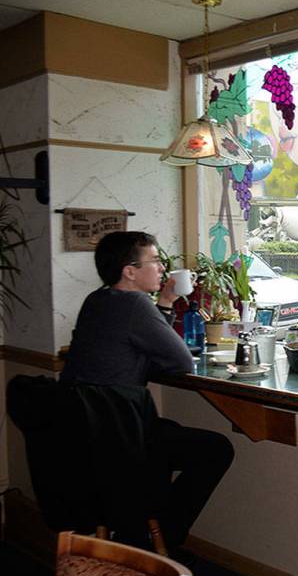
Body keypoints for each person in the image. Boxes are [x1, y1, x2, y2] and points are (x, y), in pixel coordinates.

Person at [61, 231, 233, 553]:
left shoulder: (96, 300)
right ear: (130, 271)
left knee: (168, 437)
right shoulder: (135, 303)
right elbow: (182, 361)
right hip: (120, 441)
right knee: (216, 449)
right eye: (155, 261)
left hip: (86, 440)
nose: (161, 269)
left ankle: (137, 531)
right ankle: (160, 537)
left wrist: (165, 303)